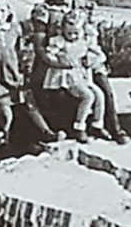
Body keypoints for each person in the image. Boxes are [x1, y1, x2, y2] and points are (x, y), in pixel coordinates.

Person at [30, 0, 131, 144]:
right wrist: (55, 62)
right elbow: (39, 47)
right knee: (51, 91)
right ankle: (67, 130)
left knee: (104, 88)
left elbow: (92, 38)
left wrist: (93, 57)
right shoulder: (44, 10)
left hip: (84, 58)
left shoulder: (85, 7)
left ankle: (112, 128)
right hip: (56, 60)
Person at [0, 0, 59, 151]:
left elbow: (21, 51)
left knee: (29, 103)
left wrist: (24, 68)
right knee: (5, 111)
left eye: (3, 11)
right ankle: (5, 139)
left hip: (13, 76)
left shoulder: (14, 30)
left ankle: (46, 132)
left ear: (9, 12)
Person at [43, 10, 110, 142]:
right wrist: (60, 59)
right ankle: (79, 127)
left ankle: (97, 124)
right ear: (62, 30)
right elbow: (49, 55)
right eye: (69, 33)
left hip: (83, 76)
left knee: (100, 95)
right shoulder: (60, 42)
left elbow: (101, 55)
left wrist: (92, 60)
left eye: (76, 33)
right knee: (88, 96)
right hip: (67, 78)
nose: (73, 36)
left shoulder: (84, 41)